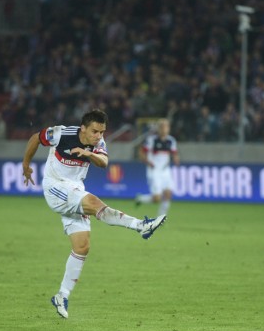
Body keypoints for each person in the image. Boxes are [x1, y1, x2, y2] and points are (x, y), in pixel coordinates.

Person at [21, 109, 167, 319]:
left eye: (102, 132)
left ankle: (62, 295)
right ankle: (140, 226)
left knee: (82, 246)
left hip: (75, 189)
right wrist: (26, 164)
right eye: (95, 131)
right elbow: (36, 138)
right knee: (94, 202)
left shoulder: (98, 144)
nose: (99, 136)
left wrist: (89, 153)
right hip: (55, 186)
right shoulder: (61, 133)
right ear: (83, 128)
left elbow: (104, 163)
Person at [135, 118, 180, 216]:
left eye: (166, 127)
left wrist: (176, 159)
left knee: (168, 194)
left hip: (165, 170)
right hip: (154, 171)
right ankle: (140, 199)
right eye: (162, 127)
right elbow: (141, 152)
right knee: (157, 199)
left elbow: (175, 153)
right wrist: (146, 161)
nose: (164, 129)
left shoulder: (171, 141)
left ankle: (161, 218)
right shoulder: (152, 140)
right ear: (158, 128)